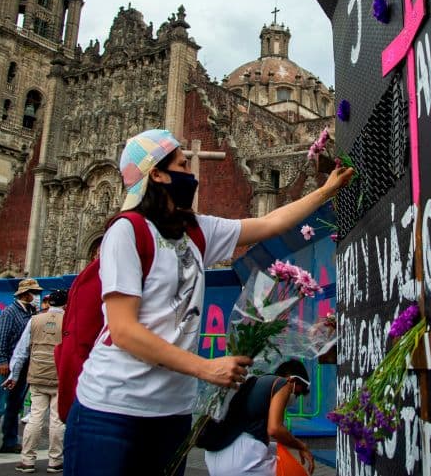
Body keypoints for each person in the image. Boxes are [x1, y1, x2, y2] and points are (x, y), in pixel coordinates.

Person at [62, 128, 353, 475]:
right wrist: (206, 368)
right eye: (183, 164)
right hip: (112, 409)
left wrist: (326, 190)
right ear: (157, 173)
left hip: (172, 412)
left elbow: (270, 223)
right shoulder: (127, 231)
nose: (191, 172)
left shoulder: (197, 231)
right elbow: (124, 330)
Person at [203, 360, 316, 476]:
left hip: (216, 458)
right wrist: (301, 446)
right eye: (297, 393)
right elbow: (275, 429)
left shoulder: (253, 383)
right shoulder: (284, 383)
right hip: (242, 460)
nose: (295, 398)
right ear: (292, 379)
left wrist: (293, 445)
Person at [6, 288, 68, 474]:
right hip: (59, 376)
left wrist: (13, 376)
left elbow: (21, 350)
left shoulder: (35, 320)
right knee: (57, 420)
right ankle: (55, 461)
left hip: (37, 375)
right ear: (66, 303)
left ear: (50, 303)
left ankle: (27, 461)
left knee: (34, 417)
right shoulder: (68, 321)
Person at [0, 278, 43, 459]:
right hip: (7, 366)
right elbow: (0, 339)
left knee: (14, 406)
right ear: (25, 294)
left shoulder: (31, 313)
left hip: (22, 365)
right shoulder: (10, 312)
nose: (37, 296)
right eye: (34, 293)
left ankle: (9, 441)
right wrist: (2, 361)